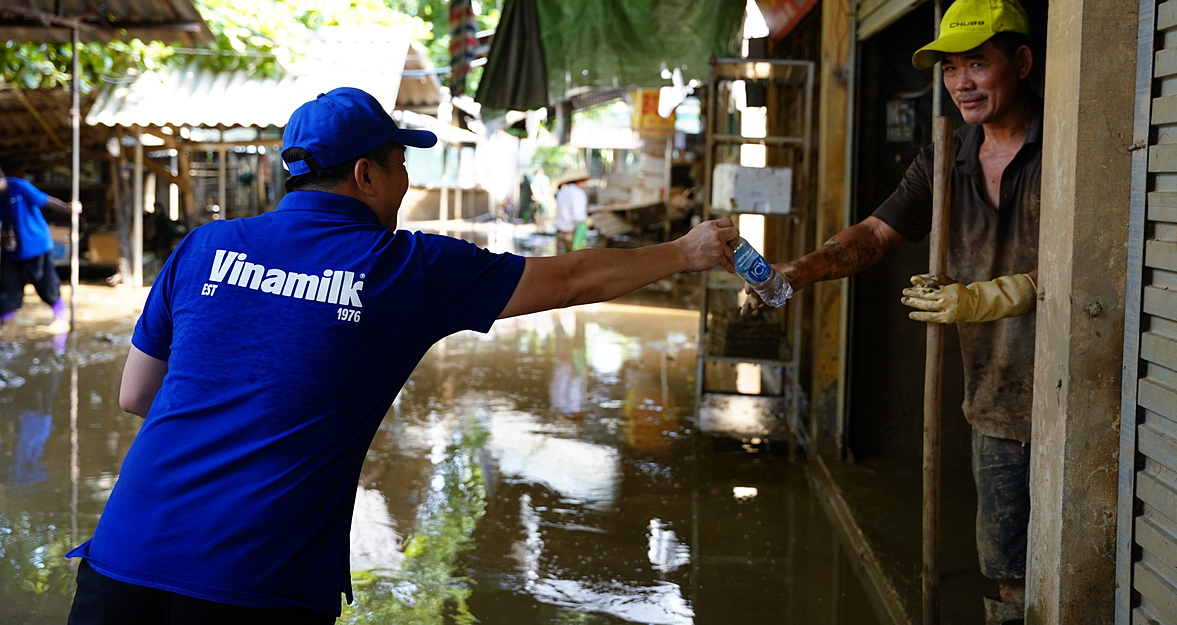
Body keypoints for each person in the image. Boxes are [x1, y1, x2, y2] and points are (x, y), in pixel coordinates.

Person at [65, 87, 738, 624]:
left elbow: (135, 396)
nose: (407, 181)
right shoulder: (404, 267)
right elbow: (569, 280)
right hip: (254, 580)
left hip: (121, 557)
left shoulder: (204, 247)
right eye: (401, 164)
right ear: (366, 174)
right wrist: (687, 251)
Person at [744, 0, 1039, 625]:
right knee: (1010, 581)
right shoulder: (946, 157)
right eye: (950, 69)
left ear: (1021, 61)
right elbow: (875, 236)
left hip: (1084, 389)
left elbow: (1103, 256)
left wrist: (1005, 292)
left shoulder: (1066, 145)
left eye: (978, 63)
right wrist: (795, 272)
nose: (962, 84)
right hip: (999, 396)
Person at [0, 166, 76, 335]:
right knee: (7, 288)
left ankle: (60, 317)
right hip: (10, 251)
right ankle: (7, 327)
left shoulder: (19, 186)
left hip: (35, 245)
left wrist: (66, 208)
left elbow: (45, 200)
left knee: (45, 284)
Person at [554, 169, 590, 254]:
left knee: (561, 259)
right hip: (572, 232)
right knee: (575, 260)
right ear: (579, 181)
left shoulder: (562, 192)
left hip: (560, 230)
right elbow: (578, 216)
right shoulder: (579, 193)